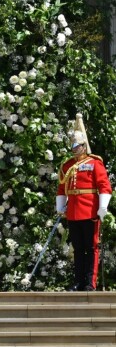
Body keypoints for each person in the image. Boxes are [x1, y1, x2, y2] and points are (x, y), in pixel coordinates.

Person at [56, 114, 112, 291]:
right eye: (72, 145)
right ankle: (78, 281)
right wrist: (60, 207)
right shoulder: (67, 165)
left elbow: (104, 186)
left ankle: (90, 283)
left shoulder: (95, 163)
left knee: (91, 247)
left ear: (83, 145)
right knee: (78, 248)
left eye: (77, 145)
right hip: (72, 211)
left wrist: (103, 206)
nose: (74, 148)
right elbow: (61, 188)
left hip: (89, 211)